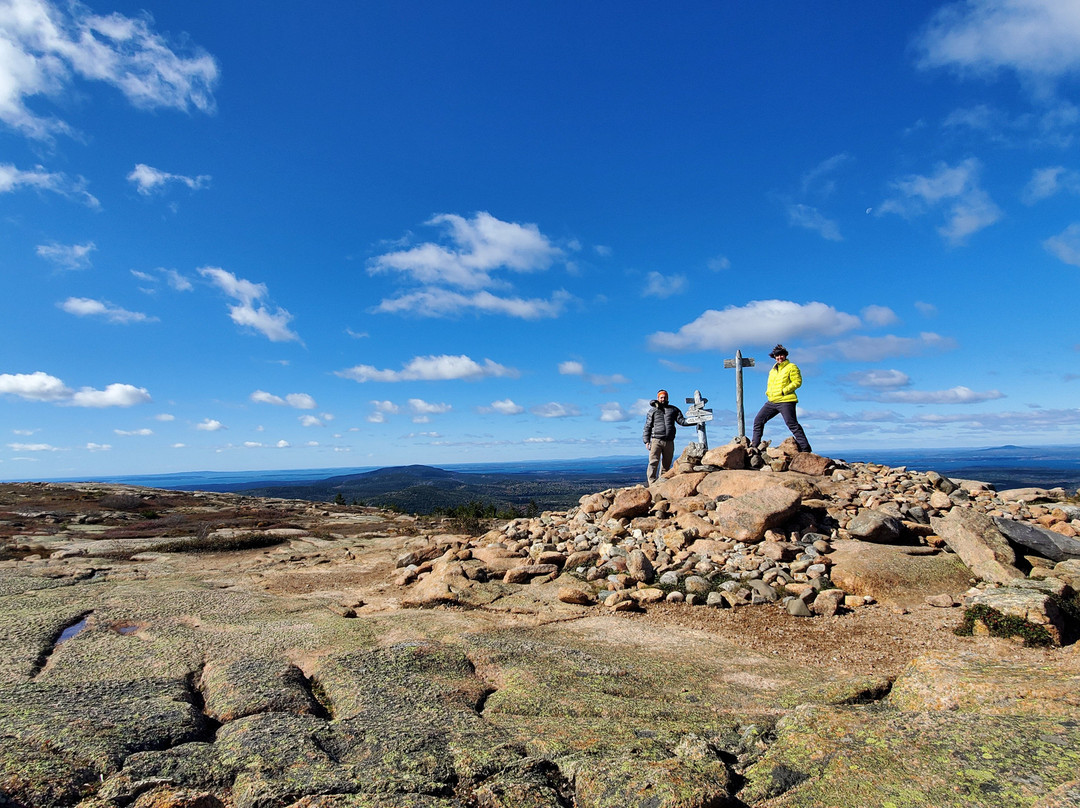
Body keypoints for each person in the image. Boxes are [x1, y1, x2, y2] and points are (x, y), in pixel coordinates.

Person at [751, 344, 812, 453]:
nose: (779, 357)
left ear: (785, 355)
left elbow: (797, 382)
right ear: (774, 357)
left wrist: (784, 391)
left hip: (786, 400)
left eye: (781, 355)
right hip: (772, 401)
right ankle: (754, 447)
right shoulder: (772, 370)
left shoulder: (791, 367)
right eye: (777, 355)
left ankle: (805, 449)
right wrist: (768, 393)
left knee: (792, 424)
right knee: (758, 420)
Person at [642, 389, 690, 484]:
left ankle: (663, 483)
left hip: (669, 441)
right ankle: (652, 484)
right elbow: (647, 426)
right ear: (658, 398)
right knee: (653, 462)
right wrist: (646, 441)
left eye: (665, 397)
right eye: (661, 397)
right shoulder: (652, 411)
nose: (663, 399)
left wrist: (695, 421)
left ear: (667, 398)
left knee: (666, 464)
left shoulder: (673, 410)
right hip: (656, 440)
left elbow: (682, 421)